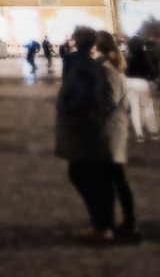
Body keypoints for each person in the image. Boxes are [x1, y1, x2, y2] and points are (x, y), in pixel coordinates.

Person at [55, 27, 129, 243]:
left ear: (78, 41)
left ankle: (102, 225)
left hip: (84, 129)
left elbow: (85, 97)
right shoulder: (86, 64)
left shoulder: (83, 66)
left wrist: (68, 108)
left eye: (74, 38)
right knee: (90, 176)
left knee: (85, 176)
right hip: (87, 127)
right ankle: (103, 222)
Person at [95, 32, 137, 239]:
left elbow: (109, 101)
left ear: (97, 47)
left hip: (110, 130)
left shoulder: (107, 69)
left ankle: (126, 224)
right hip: (113, 127)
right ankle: (113, 222)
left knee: (115, 178)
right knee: (113, 178)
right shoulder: (111, 67)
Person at [124, 35, 158, 141]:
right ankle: (153, 132)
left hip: (129, 83)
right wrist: (155, 81)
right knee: (148, 107)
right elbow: (151, 73)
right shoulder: (144, 57)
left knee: (135, 109)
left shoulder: (129, 57)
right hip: (142, 83)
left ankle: (139, 135)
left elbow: (126, 72)